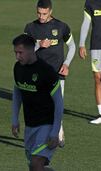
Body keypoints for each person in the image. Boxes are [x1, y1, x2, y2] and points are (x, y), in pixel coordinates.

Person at [24, 0, 75, 147]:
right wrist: (39, 45)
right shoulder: (30, 28)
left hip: (57, 73)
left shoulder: (61, 27)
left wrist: (66, 64)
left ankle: (58, 131)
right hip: (37, 74)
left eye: (44, 14)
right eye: (39, 13)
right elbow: (25, 51)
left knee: (57, 104)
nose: (41, 17)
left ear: (50, 11)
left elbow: (72, 46)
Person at [11, 34, 63, 171]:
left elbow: (59, 102)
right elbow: (17, 94)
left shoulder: (46, 71)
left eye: (20, 53)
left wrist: (55, 131)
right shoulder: (18, 68)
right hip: (29, 125)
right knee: (33, 166)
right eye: (15, 53)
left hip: (46, 125)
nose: (17, 56)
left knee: (36, 163)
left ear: (31, 50)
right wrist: (14, 119)